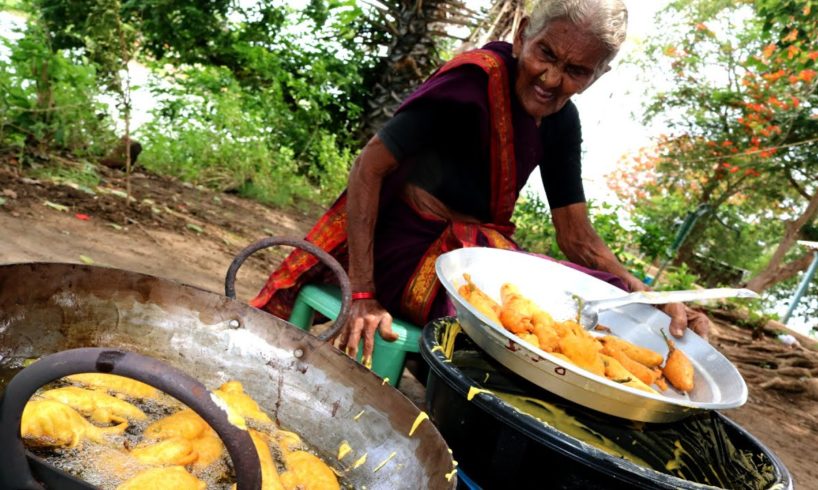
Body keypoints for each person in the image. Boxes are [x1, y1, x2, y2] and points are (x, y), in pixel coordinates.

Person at [250, 0, 712, 365]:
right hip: (404, 253)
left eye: (575, 71)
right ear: (523, 32)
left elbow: (576, 237)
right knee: (517, 326)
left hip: (477, 255)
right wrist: (364, 294)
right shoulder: (471, 83)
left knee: (590, 306)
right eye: (546, 54)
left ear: (597, 75)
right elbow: (368, 169)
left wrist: (641, 294)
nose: (552, 79)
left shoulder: (562, 122)